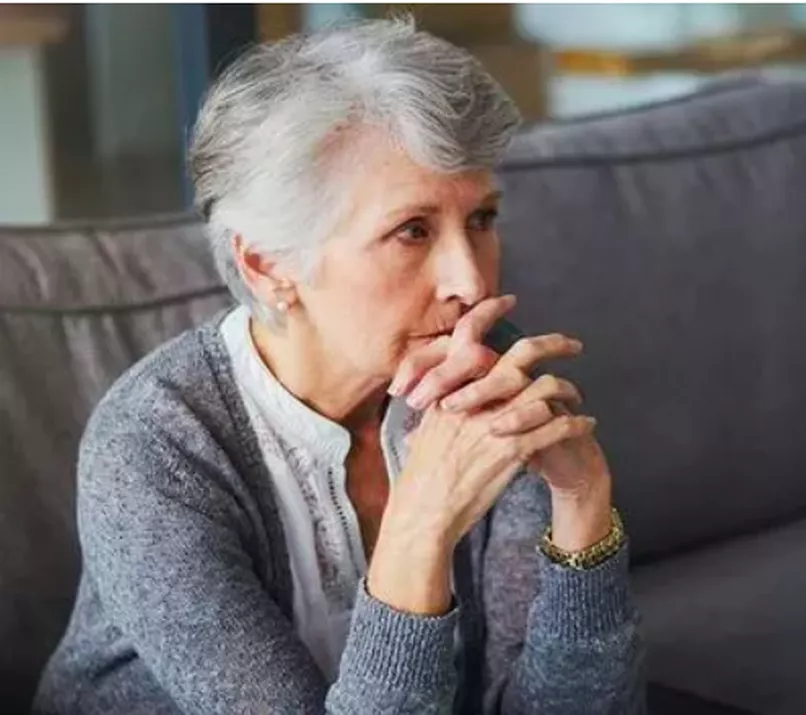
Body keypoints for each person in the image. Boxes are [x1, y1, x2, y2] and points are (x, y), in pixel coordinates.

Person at [35, 17, 645, 714]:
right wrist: (420, 527)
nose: (471, 284)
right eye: (412, 230)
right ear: (268, 267)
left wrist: (584, 506)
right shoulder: (154, 447)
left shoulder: (487, 372)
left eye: (481, 219)